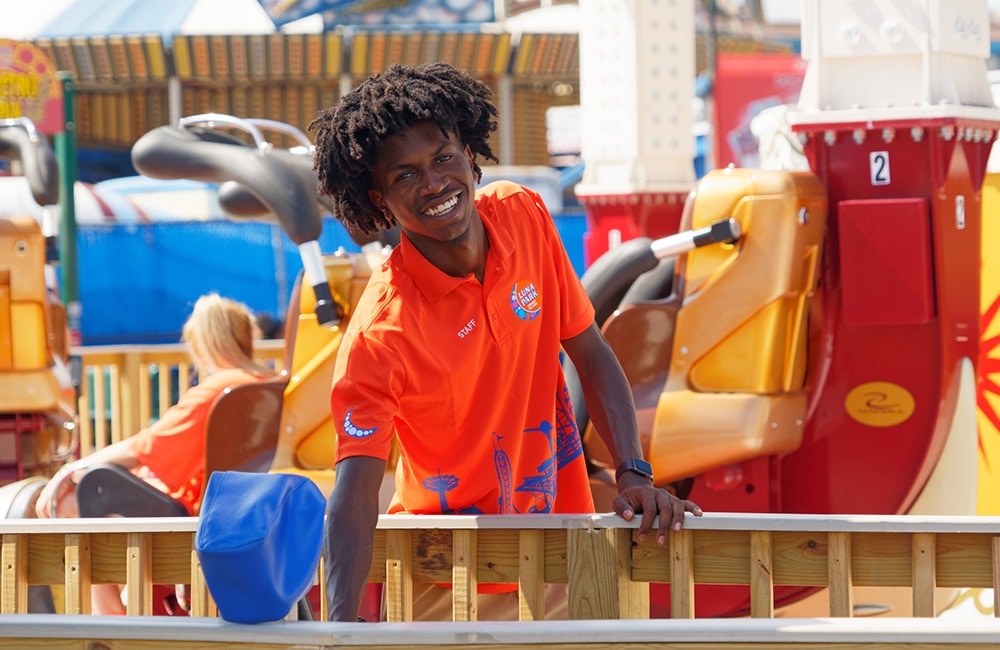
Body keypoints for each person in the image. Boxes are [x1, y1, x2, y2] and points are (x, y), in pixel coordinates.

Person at [311, 62, 702, 622]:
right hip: (451, 576)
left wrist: (634, 473)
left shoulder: (522, 213)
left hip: (560, 548)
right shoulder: (380, 333)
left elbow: (588, 348)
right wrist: (339, 632)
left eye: (443, 158)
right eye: (405, 175)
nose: (434, 183)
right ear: (378, 200)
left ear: (469, 154)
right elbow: (353, 493)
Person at [34, 293, 276, 613]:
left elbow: (145, 447)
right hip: (235, 511)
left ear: (204, 345)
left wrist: (71, 469)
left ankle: (110, 625)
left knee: (72, 500)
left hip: (191, 515)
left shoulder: (216, 391)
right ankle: (123, 607)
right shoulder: (266, 382)